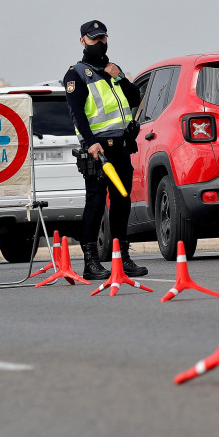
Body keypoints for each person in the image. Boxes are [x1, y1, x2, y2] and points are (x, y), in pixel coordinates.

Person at [63, 20, 148, 279]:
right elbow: (78, 114)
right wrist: (91, 144)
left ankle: (123, 257)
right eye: (93, 39)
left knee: (122, 201)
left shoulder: (113, 70)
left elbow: (135, 98)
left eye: (102, 38)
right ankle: (90, 262)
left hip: (121, 147)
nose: (99, 43)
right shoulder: (76, 75)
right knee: (97, 203)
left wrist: (119, 77)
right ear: (82, 41)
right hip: (98, 150)